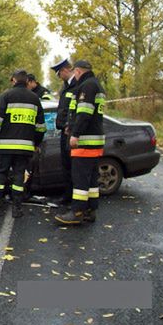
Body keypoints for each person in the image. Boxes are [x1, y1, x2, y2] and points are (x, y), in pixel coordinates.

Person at [0, 70, 46, 218]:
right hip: (24, 148)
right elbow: (41, 127)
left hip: (5, 146)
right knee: (19, 177)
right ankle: (17, 208)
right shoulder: (35, 99)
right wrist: (36, 143)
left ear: (14, 80)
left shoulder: (6, 96)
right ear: (27, 81)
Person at [55, 60, 105, 225]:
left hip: (85, 142)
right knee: (91, 180)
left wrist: (75, 133)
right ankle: (91, 210)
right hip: (95, 142)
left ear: (77, 71)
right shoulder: (96, 85)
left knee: (80, 179)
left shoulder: (87, 86)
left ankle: (76, 212)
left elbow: (84, 113)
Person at [50, 58, 78, 205]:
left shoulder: (77, 85)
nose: (59, 77)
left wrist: (70, 126)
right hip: (64, 133)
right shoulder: (66, 87)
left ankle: (73, 199)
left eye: (59, 73)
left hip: (72, 133)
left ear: (65, 70)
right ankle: (67, 197)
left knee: (73, 168)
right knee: (66, 166)